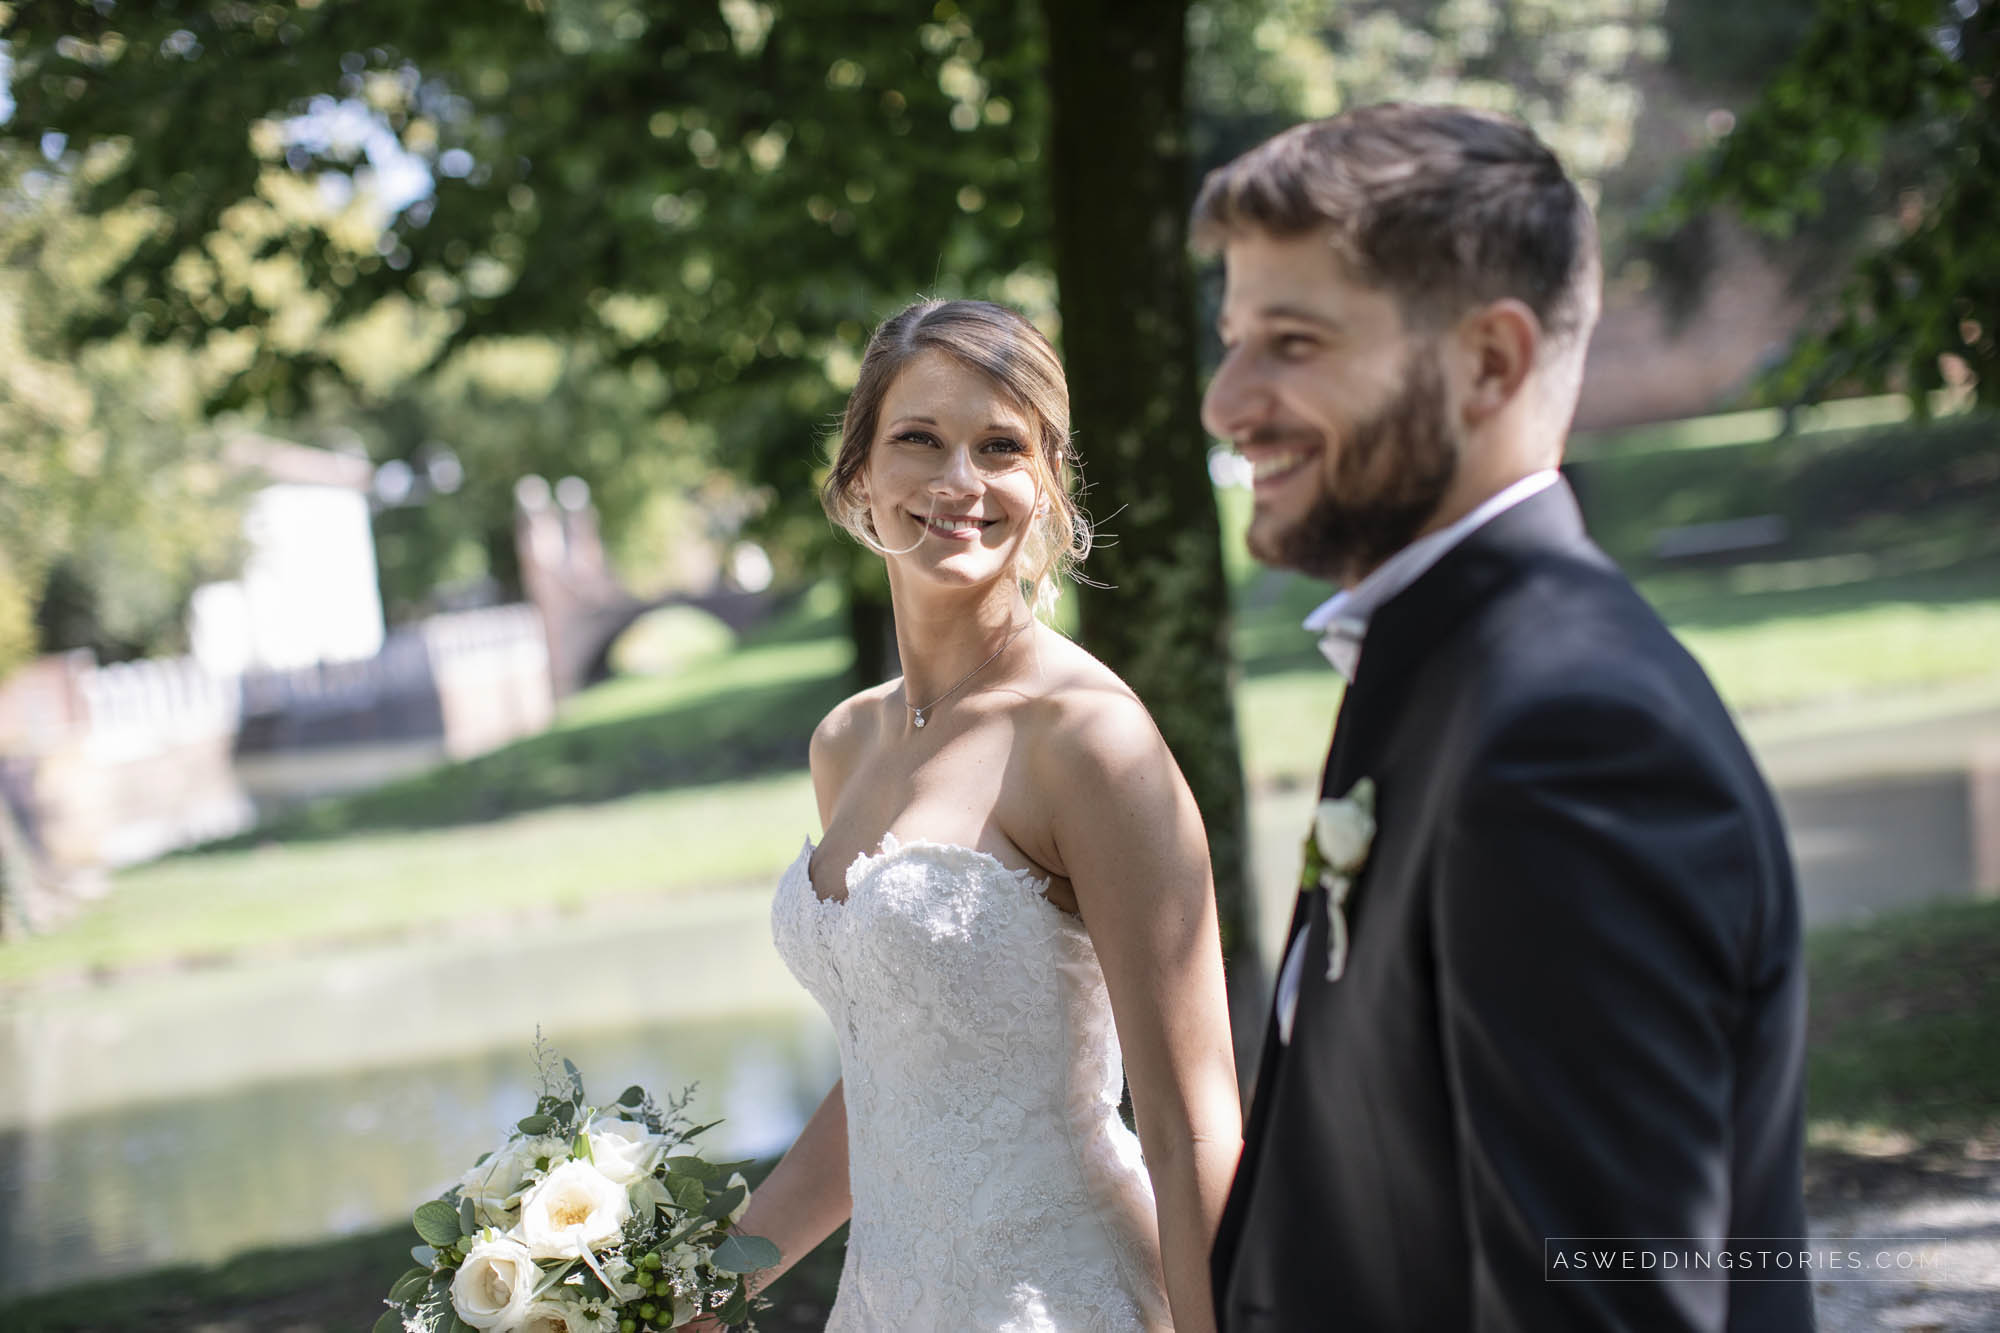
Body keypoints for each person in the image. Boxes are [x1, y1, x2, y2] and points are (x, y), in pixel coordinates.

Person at [1194, 105, 1812, 1330]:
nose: (1225, 402)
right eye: (1231, 341)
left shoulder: (1570, 737)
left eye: (1291, 342)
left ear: (1489, 362)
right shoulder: (1441, 665)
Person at [734, 298, 1243, 1332]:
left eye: (999, 447)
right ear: (858, 476)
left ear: (1045, 484)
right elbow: (897, 1081)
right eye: (917, 439)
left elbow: (1192, 1130)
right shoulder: (846, 744)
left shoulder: (1086, 739)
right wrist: (693, 1280)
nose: (958, 482)